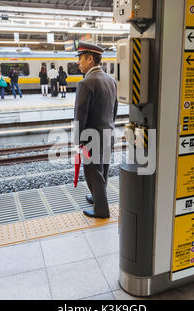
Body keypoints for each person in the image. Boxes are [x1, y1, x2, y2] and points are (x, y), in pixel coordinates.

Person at [74, 41, 118, 219]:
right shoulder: (110, 80)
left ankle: (101, 210)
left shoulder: (86, 83)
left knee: (93, 172)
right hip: (109, 132)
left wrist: (79, 140)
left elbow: (80, 115)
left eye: (80, 59)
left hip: (92, 137)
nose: (78, 63)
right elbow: (114, 110)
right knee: (103, 169)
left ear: (90, 59)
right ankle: (97, 197)